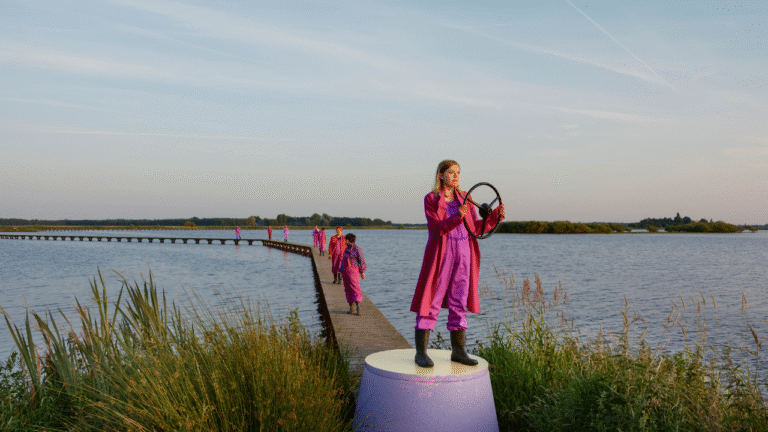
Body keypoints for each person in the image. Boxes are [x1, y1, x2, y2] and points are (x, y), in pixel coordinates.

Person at [410, 159, 505, 367]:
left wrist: (495, 217)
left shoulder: (466, 198)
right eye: (451, 172)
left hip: (464, 255)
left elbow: (476, 228)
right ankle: (421, 353)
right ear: (441, 175)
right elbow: (436, 229)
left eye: (458, 173)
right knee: (432, 299)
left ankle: (459, 352)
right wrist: (457, 217)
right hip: (441, 255)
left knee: (459, 301)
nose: (455, 176)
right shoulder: (432, 199)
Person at [340, 233, 366, 315]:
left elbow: (362, 260)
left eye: (345, 240)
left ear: (348, 240)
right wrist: (341, 270)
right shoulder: (347, 248)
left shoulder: (357, 248)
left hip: (353, 271)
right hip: (345, 271)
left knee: (355, 289)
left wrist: (362, 271)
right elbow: (343, 260)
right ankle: (351, 309)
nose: (344, 241)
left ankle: (359, 310)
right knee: (347, 289)